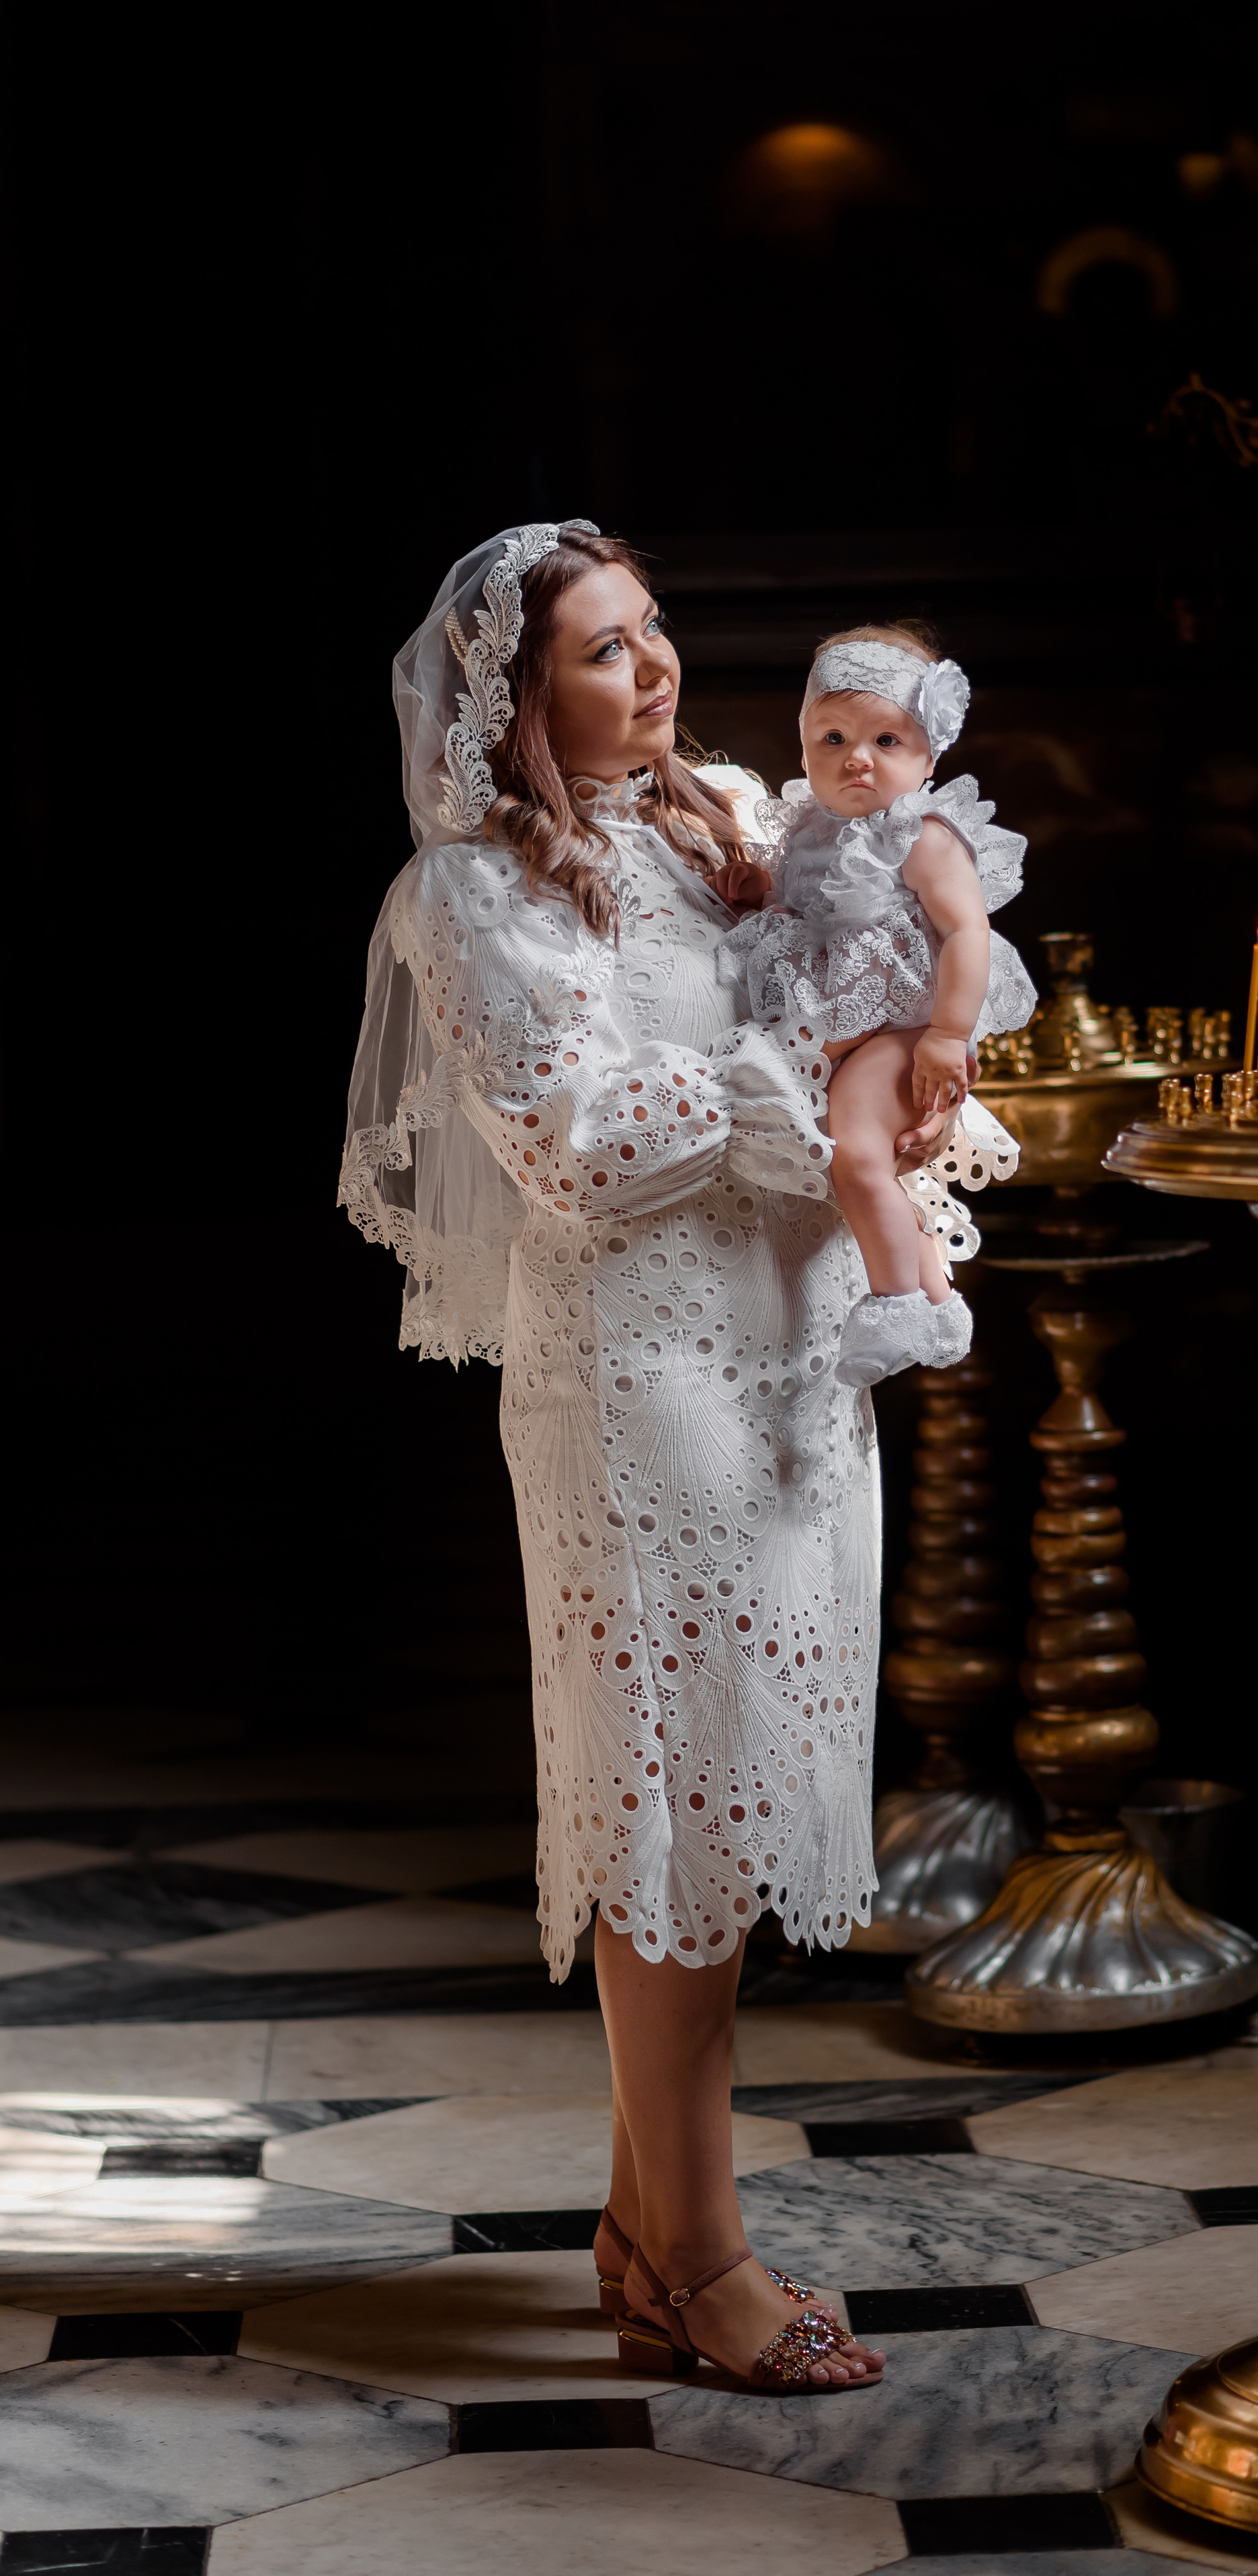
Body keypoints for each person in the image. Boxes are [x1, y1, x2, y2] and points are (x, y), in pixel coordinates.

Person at [340, 521, 966, 2389]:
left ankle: (641, 2232)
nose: (658, 667)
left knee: (737, 1783)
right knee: (669, 1802)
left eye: (655, 629)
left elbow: (863, 969)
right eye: (606, 649)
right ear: (520, 697)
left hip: (785, 1362)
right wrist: (807, 1094)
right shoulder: (467, 893)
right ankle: (706, 2257)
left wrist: (910, 1061)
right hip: (637, 1384)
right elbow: (579, 1146)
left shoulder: (732, 821)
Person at [718, 627, 1034, 1387]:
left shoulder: (921, 837)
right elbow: (806, 910)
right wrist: (762, 891)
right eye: (833, 738)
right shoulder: (807, 829)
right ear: (803, 750)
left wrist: (948, 1036)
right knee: (856, 1165)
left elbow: (967, 932)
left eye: (886, 740)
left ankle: (894, 1304)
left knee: (857, 1152)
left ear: (928, 757)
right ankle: (935, 1298)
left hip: (908, 1027)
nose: (857, 758)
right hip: (850, 1028)